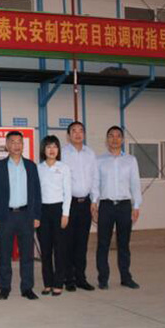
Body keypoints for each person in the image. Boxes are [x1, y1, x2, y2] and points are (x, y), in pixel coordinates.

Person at [0, 130, 42, 301]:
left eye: (19, 142)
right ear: (7, 145)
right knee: (4, 255)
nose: (16, 145)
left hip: (26, 215)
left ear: (23, 145)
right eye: (12, 142)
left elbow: (37, 192)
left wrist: (36, 215)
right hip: (6, 216)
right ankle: (4, 288)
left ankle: (27, 288)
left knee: (27, 255)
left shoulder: (31, 166)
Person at [93, 126, 142, 290]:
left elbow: (135, 184)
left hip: (124, 206)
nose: (114, 139)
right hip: (106, 206)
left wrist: (136, 205)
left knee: (124, 244)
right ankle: (103, 279)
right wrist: (94, 203)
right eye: (111, 136)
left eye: (118, 136)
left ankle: (126, 278)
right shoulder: (99, 160)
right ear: (107, 139)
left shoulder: (131, 160)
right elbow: (95, 184)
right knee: (103, 244)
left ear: (122, 139)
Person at [61, 121, 98, 292]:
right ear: (68, 135)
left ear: (84, 134)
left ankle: (81, 278)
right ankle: (68, 278)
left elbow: (95, 178)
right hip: (68, 204)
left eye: (81, 131)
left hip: (86, 204)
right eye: (74, 131)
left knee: (82, 243)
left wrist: (95, 200)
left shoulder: (90, 153)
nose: (77, 134)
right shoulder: (63, 153)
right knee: (68, 242)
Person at [37, 136, 71, 296]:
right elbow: (35, 193)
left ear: (58, 150)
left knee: (60, 249)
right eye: (48, 147)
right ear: (43, 150)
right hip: (43, 211)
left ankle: (58, 283)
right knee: (45, 250)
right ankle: (48, 283)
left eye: (55, 147)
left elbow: (68, 192)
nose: (52, 150)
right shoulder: (38, 168)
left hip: (59, 210)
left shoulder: (64, 168)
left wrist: (65, 214)